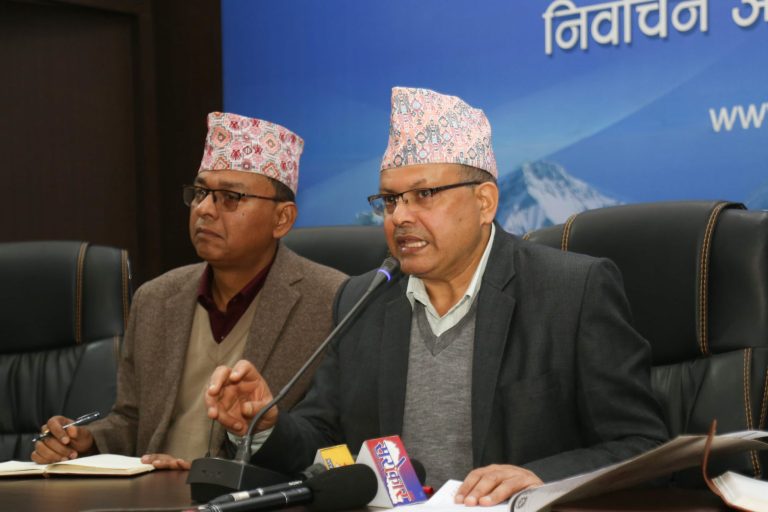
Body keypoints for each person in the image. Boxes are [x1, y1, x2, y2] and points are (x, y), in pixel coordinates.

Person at [205, 88, 669, 505]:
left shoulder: (572, 291)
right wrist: (264, 423)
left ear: (485, 202)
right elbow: (326, 441)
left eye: (424, 194)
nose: (400, 217)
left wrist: (539, 477)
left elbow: (643, 445)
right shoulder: (363, 298)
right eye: (390, 200)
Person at [31, 112, 347, 469]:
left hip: (252, 493)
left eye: (230, 197)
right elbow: (131, 421)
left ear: (282, 219)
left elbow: (328, 439)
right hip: (148, 490)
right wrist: (86, 441)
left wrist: (200, 473)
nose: (205, 210)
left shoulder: (332, 301)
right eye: (200, 193)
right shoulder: (155, 298)